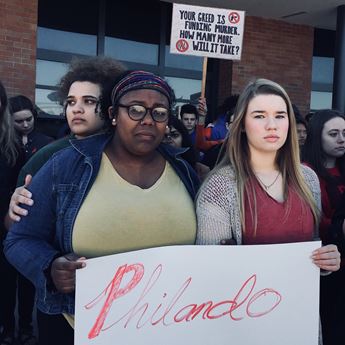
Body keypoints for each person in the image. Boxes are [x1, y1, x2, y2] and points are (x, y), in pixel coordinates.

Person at [4, 70, 199, 345]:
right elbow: (19, 238)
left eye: (159, 112)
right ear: (113, 113)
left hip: (164, 328)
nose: (147, 120)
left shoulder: (185, 173)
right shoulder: (66, 166)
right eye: (135, 110)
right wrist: (50, 267)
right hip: (77, 329)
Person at [195, 78, 340, 286]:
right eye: (259, 116)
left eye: (280, 116)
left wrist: (325, 261)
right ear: (242, 124)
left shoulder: (308, 178)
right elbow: (208, 274)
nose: (272, 125)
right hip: (244, 312)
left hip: (302, 311)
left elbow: (312, 249)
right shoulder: (219, 187)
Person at [6, 56, 126, 225]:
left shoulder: (127, 152)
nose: (76, 109)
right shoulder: (48, 155)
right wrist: (15, 207)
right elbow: (14, 230)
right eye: (71, 102)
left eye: (89, 101)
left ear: (111, 107)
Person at [303, 109, 345, 345]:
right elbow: (311, 220)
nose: (341, 139)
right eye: (334, 134)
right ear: (318, 136)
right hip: (325, 267)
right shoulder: (307, 172)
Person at [0, 81, 27, 345]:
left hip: (5, 223)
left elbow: (19, 184)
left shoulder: (12, 144)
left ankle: (8, 328)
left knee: (6, 282)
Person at [163, 115, 209, 181]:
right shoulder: (148, 168)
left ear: (183, 138)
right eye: (164, 136)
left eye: (174, 135)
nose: (169, 140)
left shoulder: (200, 171)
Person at [9, 95, 53, 161]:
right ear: (9, 121)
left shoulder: (47, 140)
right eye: (19, 121)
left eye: (29, 119)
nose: (25, 125)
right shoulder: (5, 141)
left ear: (34, 115)